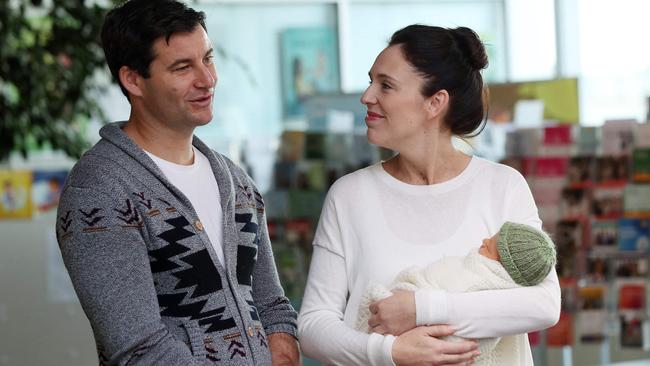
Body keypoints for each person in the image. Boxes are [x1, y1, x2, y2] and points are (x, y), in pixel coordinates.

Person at [298, 24, 560, 366]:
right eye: (370, 81)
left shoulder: (503, 187)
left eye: (386, 85)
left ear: (435, 103)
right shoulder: (349, 195)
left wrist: (421, 309)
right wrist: (390, 353)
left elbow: (543, 304)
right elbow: (313, 326)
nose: (367, 96)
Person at [55, 1, 299, 364]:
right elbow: (138, 347)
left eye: (208, 59)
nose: (207, 79)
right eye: (183, 67)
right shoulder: (99, 190)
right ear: (133, 79)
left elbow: (271, 303)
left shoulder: (235, 180)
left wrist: (282, 344)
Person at [356, 222, 557, 365]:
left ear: (503, 265)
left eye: (491, 246)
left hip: (414, 335)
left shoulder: (490, 290)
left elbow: (464, 342)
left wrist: (415, 302)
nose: (484, 240)